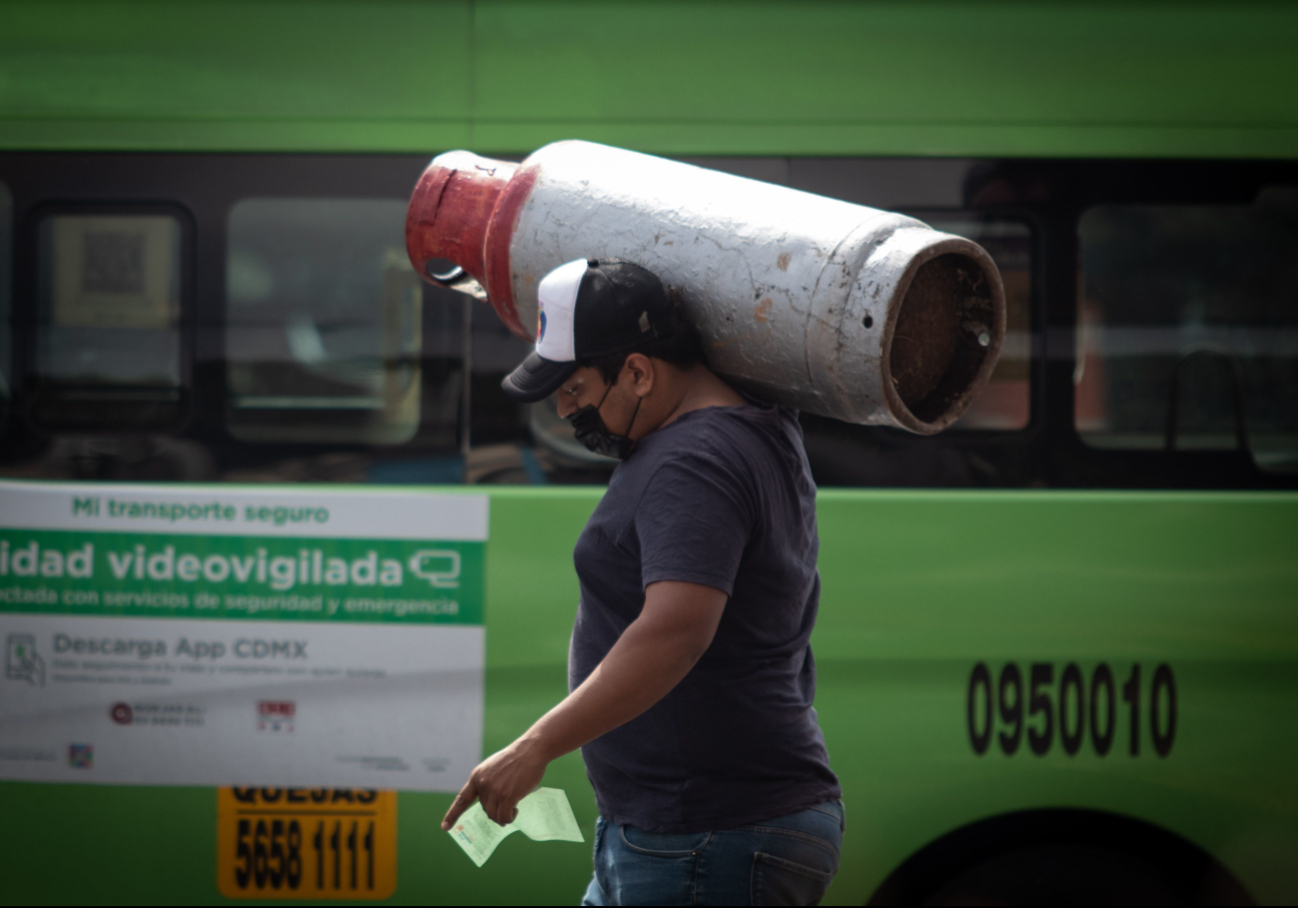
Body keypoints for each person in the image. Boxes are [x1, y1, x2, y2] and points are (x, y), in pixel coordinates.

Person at [440, 257, 843, 906]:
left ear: (636, 371)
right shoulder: (749, 426)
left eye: (574, 392)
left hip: (706, 837)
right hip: (683, 831)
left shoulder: (694, 460)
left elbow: (676, 630)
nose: (569, 414)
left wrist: (535, 747)